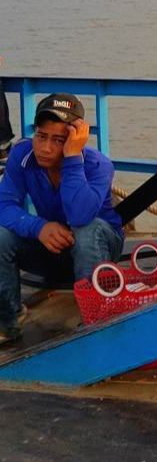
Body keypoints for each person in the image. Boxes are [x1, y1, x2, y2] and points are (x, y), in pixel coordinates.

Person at [0, 93, 123, 344]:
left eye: (59, 140)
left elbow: (79, 216)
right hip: (53, 247)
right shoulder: (22, 156)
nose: (45, 148)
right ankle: (7, 320)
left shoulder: (97, 166)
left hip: (99, 250)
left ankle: (95, 323)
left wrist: (72, 158)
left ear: (76, 138)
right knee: (1, 236)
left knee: (86, 230)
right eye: (41, 136)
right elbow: (4, 205)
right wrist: (39, 227)